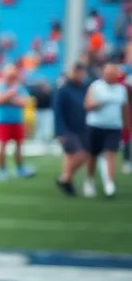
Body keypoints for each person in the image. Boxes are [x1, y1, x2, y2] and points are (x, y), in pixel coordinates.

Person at [83, 63, 129, 198]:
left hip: (113, 126)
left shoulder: (121, 89)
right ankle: (89, 180)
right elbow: (87, 105)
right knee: (93, 154)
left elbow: (124, 107)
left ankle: (109, 183)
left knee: (111, 153)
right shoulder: (96, 86)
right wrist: (100, 102)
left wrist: (127, 125)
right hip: (96, 125)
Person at [52, 62, 92, 196]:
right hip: (67, 128)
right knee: (81, 154)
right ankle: (64, 177)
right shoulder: (63, 89)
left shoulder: (83, 88)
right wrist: (59, 131)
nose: (78, 75)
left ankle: (67, 181)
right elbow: (58, 111)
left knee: (71, 156)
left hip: (81, 126)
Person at [0, 64, 34, 180]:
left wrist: (9, 99)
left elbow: (25, 102)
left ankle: (20, 168)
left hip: (16, 121)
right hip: (2, 121)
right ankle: (2, 170)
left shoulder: (18, 86)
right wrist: (11, 95)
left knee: (19, 145)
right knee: (2, 146)